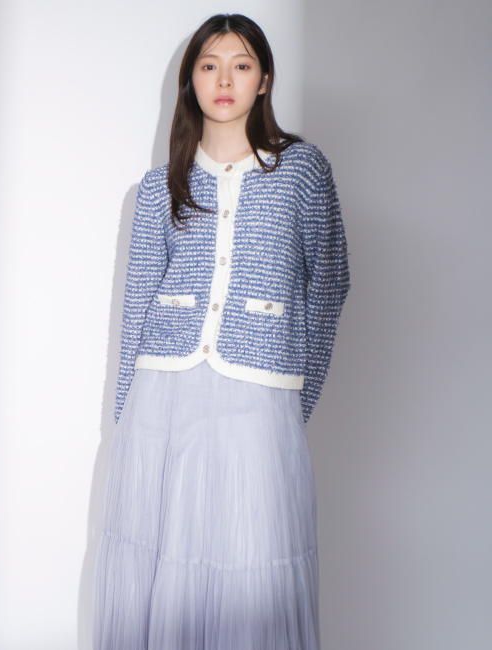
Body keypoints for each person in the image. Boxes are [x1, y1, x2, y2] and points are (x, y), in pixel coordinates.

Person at [92, 14, 349, 650]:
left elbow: (331, 282)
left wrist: (295, 398)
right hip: (162, 398)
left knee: (251, 562)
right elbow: (136, 303)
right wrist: (125, 417)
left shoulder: (302, 171)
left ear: (265, 79)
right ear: (191, 81)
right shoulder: (159, 187)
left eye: (241, 64)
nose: (225, 80)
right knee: (163, 564)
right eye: (209, 65)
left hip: (258, 397)